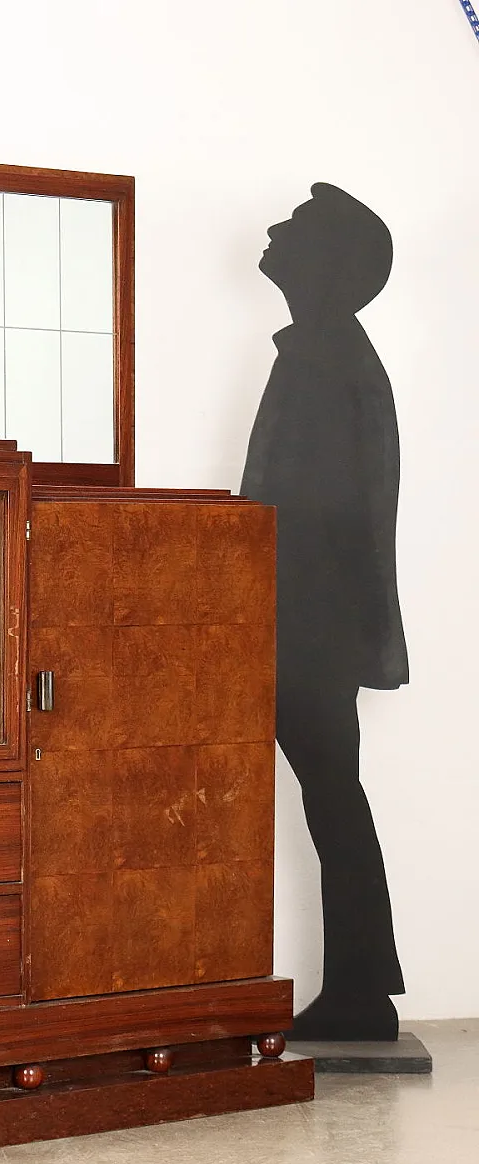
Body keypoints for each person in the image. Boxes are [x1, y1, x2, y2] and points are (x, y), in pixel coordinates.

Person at [240, 183, 407, 1040]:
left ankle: (361, 991)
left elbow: (319, 513)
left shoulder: (326, 357)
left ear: (331, 266)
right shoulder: (325, 351)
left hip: (307, 624)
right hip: (307, 621)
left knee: (333, 795)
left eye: (297, 227)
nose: (274, 229)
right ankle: (362, 986)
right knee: (333, 795)